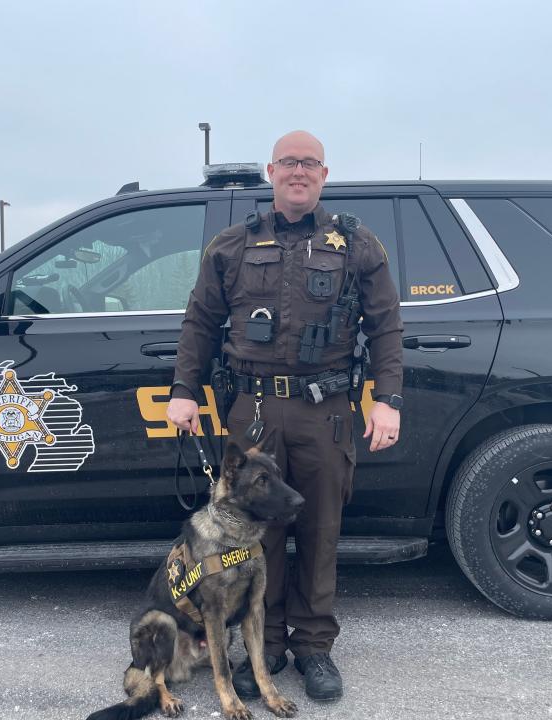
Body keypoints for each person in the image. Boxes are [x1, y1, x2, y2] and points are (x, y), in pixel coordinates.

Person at [167, 130, 403, 702]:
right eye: (289, 163)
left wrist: (387, 399)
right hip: (254, 410)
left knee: (321, 529)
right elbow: (200, 322)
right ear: (271, 172)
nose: (300, 172)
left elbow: (386, 326)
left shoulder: (356, 244)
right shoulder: (233, 244)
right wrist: (183, 390)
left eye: (311, 164)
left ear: (324, 174)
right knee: (252, 535)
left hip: (326, 411)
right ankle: (265, 644)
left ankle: (314, 647)